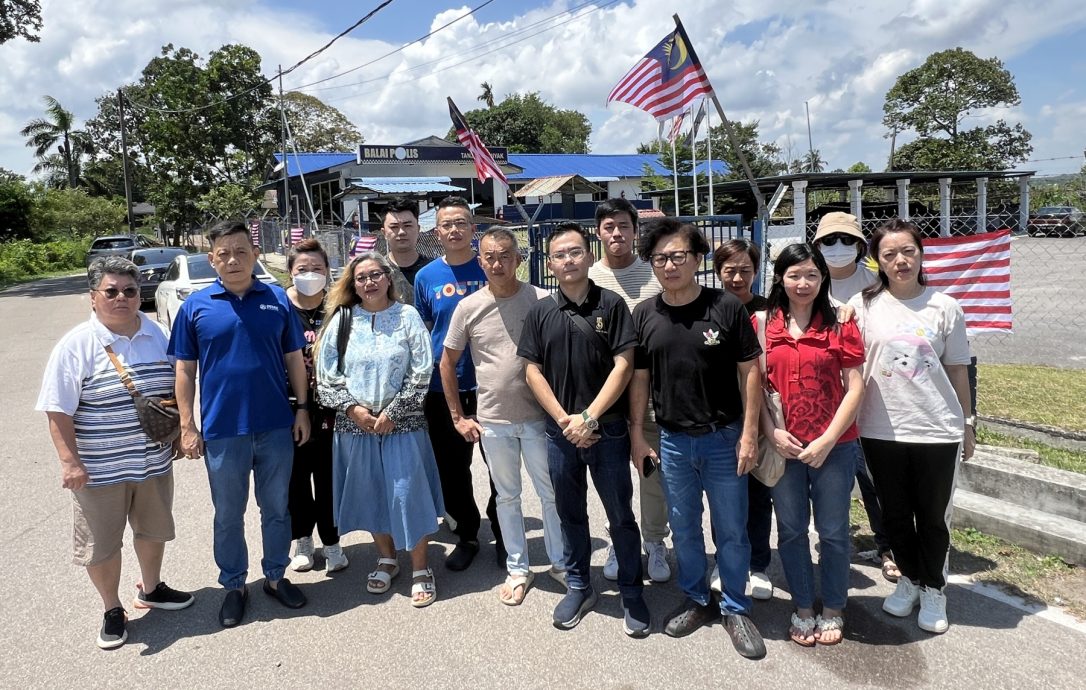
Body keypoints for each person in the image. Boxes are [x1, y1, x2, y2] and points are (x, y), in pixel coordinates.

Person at [37, 257, 194, 650]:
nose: (121, 297)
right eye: (111, 291)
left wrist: (181, 431)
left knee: (153, 530)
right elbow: (57, 410)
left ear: (139, 295)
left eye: (129, 291)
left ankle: (152, 588)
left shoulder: (158, 334)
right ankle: (111, 608)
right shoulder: (75, 345)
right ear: (93, 297)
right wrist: (69, 462)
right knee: (102, 544)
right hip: (99, 470)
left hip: (153, 462)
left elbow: (178, 387)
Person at [629, 219, 766, 659]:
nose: (669, 266)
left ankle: (736, 607)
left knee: (732, 530)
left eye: (678, 256)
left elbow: (750, 372)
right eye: (660, 258)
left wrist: (749, 434)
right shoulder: (644, 314)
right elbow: (639, 379)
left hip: (723, 439)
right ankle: (696, 598)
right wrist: (636, 434)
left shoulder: (725, 307)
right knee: (684, 528)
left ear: (698, 258)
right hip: (672, 441)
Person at [169, 220, 311, 628]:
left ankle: (275, 576)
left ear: (255, 255)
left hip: (275, 425)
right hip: (223, 429)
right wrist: (187, 426)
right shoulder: (195, 306)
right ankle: (234, 585)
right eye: (224, 253)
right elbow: (185, 370)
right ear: (212, 259)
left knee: (277, 508)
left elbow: (293, 358)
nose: (233, 260)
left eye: (241, 251)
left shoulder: (276, 299)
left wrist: (302, 408)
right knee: (228, 514)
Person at [518, 222, 649, 637]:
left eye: (575, 252)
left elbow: (625, 365)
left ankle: (632, 590)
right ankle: (578, 585)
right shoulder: (541, 311)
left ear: (589, 256)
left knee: (620, 515)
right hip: (560, 433)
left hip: (607, 430)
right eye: (559, 255)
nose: (568, 260)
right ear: (550, 263)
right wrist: (565, 420)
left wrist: (589, 416)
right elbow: (531, 370)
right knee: (569, 512)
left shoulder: (612, 305)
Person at [847, 219, 975, 635]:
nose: (900, 260)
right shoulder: (862, 306)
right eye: (889, 254)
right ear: (877, 261)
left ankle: (934, 588)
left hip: (937, 428)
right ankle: (909, 578)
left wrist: (968, 422)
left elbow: (958, 368)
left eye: (908, 251)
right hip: (879, 428)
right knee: (895, 514)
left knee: (934, 517)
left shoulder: (945, 306)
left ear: (921, 254)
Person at [441, 228, 565, 606]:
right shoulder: (468, 307)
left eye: (505, 256)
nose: (497, 264)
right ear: (481, 261)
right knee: (507, 497)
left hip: (539, 418)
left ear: (518, 259)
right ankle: (518, 568)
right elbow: (447, 362)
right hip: (493, 421)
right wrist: (457, 416)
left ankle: (561, 562)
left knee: (551, 493)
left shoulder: (542, 300)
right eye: (490, 257)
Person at [316, 252, 444, 608]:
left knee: (407, 494)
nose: (369, 282)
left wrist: (394, 411)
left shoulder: (407, 316)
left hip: (403, 425)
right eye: (361, 277)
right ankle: (387, 559)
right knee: (372, 493)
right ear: (353, 284)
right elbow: (325, 375)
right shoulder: (343, 320)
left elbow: (422, 369)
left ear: (388, 278)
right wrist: (353, 409)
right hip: (355, 427)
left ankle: (421, 567)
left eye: (375, 275)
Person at [757, 244, 865, 647]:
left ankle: (834, 607)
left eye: (811, 275)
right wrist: (771, 432)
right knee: (790, 530)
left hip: (835, 447)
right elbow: (755, 388)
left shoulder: (841, 323)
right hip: (784, 446)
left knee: (834, 531)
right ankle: (803, 606)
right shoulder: (762, 324)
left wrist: (827, 439)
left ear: (822, 278)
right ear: (780, 278)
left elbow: (856, 388)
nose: (803, 283)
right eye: (794, 275)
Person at [414, 196, 503, 571]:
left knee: (500, 468)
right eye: (446, 224)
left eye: (461, 223)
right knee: (452, 471)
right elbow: (424, 332)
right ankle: (468, 535)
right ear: (437, 232)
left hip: (491, 386)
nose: (454, 230)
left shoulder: (490, 268)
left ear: (473, 229)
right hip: (443, 388)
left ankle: (505, 533)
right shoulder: (426, 277)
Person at [587, 198, 671, 585]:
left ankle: (655, 541)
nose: (617, 233)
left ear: (635, 230)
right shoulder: (588, 277)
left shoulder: (655, 274)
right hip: (604, 397)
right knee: (612, 476)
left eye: (623, 225)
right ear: (598, 233)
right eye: (609, 227)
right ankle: (619, 540)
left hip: (651, 396)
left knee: (651, 472)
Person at [812, 212, 898, 583]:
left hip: (871, 394)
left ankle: (888, 546)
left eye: (847, 240)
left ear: (861, 247)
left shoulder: (877, 283)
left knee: (874, 476)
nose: (838, 247)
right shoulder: (810, 279)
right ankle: (832, 539)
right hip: (822, 398)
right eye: (829, 241)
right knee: (829, 478)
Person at [712, 238, 773, 601]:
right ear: (717, 271)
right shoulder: (710, 307)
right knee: (723, 498)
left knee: (758, 492)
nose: (737, 278)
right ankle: (723, 560)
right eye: (729, 270)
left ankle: (758, 564)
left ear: (756, 271)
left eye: (745, 271)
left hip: (761, 415)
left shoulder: (770, 309)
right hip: (721, 416)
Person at [284, 239, 348, 575]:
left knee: (328, 477)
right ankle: (302, 540)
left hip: (331, 408)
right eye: (302, 269)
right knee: (295, 478)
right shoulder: (280, 307)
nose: (310, 274)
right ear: (290, 272)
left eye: (317, 268)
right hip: (288, 407)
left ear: (327, 271)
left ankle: (332, 541)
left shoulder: (339, 307)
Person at [381, 197, 433, 306]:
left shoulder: (434, 269)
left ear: (418, 229)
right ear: (384, 232)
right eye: (394, 227)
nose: (401, 232)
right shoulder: (377, 273)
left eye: (407, 225)